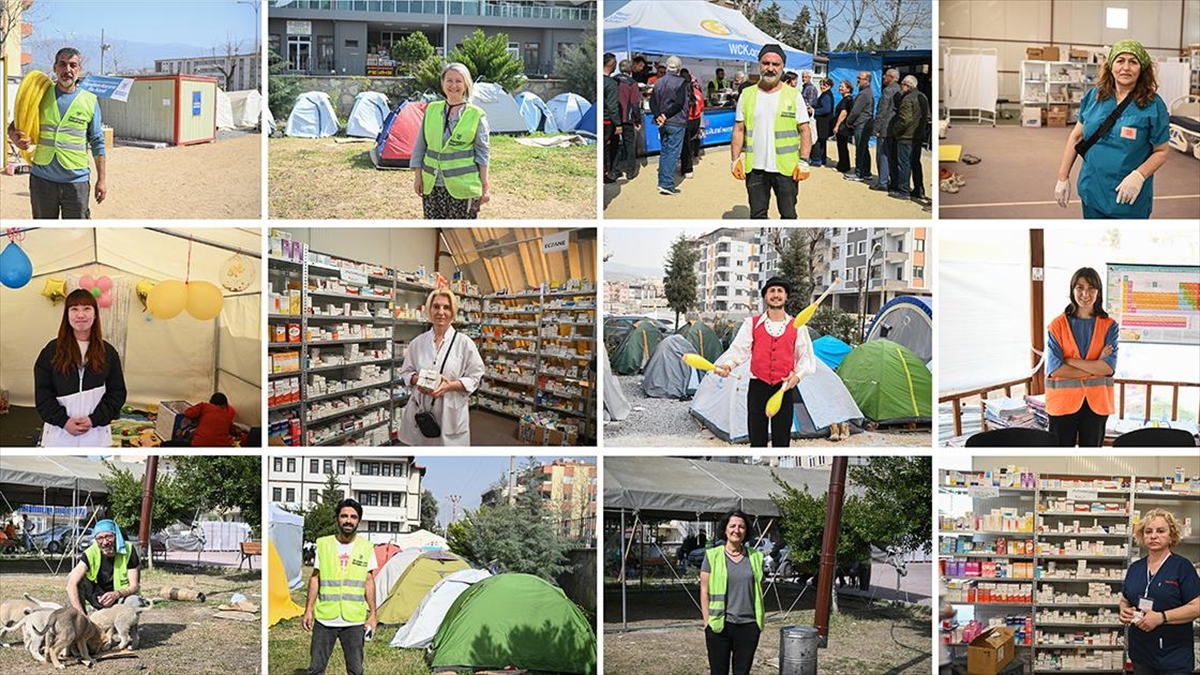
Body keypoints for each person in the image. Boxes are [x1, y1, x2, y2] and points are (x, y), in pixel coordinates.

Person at [1055, 40, 1169, 219]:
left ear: (1142, 68)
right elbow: (1076, 137)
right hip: (1092, 190)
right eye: (1120, 60)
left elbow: (1161, 151)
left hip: (1129, 197)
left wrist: (1139, 175)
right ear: (1110, 66)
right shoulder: (1095, 96)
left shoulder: (1153, 105)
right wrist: (1063, 177)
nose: (1126, 67)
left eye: (1133, 62)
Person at [713, 277, 816, 447]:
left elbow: (805, 357)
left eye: (780, 291)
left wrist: (797, 377)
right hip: (757, 387)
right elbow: (739, 350)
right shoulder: (751, 324)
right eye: (772, 291)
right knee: (757, 439)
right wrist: (728, 364)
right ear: (766, 297)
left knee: (782, 440)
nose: (776, 295)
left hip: (784, 388)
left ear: (786, 296)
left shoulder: (798, 326)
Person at [6, 47, 107, 219]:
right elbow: (16, 124)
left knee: (75, 234)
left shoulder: (90, 101)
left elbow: (98, 142)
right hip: (42, 180)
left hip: (76, 181)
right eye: (62, 64)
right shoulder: (40, 94)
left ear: (79, 69)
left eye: (72, 65)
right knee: (43, 232)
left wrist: (102, 180)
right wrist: (14, 136)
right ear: (55, 68)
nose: (67, 70)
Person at [34, 288, 126, 447]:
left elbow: (117, 393)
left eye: (86, 309)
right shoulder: (51, 351)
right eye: (74, 309)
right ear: (67, 315)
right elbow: (43, 394)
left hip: (96, 438)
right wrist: (64, 421)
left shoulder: (108, 352)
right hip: (58, 437)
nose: (80, 315)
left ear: (95, 314)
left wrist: (94, 419)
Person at [730, 44, 813, 220]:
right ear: (759, 64)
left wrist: (804, 161)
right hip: (756, 168)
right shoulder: (747, 94)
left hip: (787, 169)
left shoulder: (794, 95)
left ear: (782, 67)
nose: (770, 68)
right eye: (766, 63)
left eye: (776, 64)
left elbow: (805, 130)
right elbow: (739, 129)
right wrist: (735, 159)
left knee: (788, 215)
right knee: (757, 215)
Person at [397, 288, 485, 446]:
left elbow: (475, 377)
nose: (441, 312)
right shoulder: (417, 343)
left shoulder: (464, 344)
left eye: (446, 307)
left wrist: (449, 386)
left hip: (450, 413)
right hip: (422, 412)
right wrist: (419, 380)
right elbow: (406, 372)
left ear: (453, 311)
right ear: (429, 310)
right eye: (436, 306)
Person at [1119, 508, 1200, 675]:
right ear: (1142, 536)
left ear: (1171, 535)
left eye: (1160, 531)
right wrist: (1124, 611)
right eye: (1148, 531)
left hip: (1173, 657)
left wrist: (1161, 617)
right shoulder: (1135, 567)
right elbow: (1125, 598)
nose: (1153, 536)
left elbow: (1197, 606)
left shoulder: (1182, 566)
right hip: (1140, 653)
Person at [1045, 267, 1118, 447]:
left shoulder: (1109, 326)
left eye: (1091, 288)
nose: (1085, 293)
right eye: (1079, 288)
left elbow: (1108, 369)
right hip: (1062, 404)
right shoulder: (1057, 326)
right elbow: (1056, 369)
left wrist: (1070, 361)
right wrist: (1095, 365)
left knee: (1092, 461)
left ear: (1098, 292)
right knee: (1061, 461)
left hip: (1097, 404)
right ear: (1072, 290)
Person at [304, 498, 378, 675]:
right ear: (337, 518)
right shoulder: (323, 544)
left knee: (356, 670)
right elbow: (315, 578)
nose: (348, 520)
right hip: (325, 617)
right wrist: (308, 609)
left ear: (358, 521)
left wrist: (373, 615)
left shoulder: (366, 547)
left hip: (354, 619)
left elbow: (369, 581)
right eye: (344, 516)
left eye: (353, 517)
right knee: (315, 669)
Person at [412, 62, 490, 219]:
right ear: (442, 83)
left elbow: (483, 153)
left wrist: (485, 186)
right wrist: (418, 177)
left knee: (461, 233)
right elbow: (421, 146)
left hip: (464, 187)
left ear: (466, 84)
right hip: (432, 185)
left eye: (458, 81)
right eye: (449, 80)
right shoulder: (431, 109)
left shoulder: (476, 115)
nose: (453, 85)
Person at [700, 510, 764, 675]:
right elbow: (704, 590)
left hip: (748, 626)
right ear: (725, 530)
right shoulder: (712, 555)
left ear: (746, 531)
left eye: (741, 527)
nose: (737, 530)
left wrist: (757, 625)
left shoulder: (756, 557)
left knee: (742, 672)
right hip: (719, 625)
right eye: (733, 526)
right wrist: (707, 622)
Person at [66, 519, 140, 615]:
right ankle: (82, 625)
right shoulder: (90, 552)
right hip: (99, 597)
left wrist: (117, 594)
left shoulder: (128, 550)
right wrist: (81, 616)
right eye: (100, 538)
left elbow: (134, 586)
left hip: (121, 596)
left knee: (134, 601)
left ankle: (127, 629)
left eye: (108, 537)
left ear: (116, 536)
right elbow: (71, 585)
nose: (105, 542)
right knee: (74, 578)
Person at [650, 56, 688, 196]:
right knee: (672, 153)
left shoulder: (659, 82)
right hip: (676, 121)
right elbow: (679, 103)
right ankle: (666, 184)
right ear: (678, 68)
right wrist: (665, 115)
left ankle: (662, 182)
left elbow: (653, 101)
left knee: (665, 152)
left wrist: (658, 115)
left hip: (662, 122)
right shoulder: (680, 82)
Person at [891, 75, 924, 201]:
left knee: (904, 163)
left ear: (907, 86)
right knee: (916, 163)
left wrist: (895, 131)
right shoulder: (923, 97)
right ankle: (919, 189)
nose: (900, 87)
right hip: (918, 136)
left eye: (902, 85)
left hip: (906, 136)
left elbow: (904, 120)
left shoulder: (907, 99)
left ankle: (904, 191)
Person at [870, 69, 900, 192]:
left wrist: (876, 128)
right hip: (894, 128)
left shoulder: (887, 91)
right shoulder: (899, 89)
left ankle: (882, 182)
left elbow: (882, 112)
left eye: (885, 75)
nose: (883, 77)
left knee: (882, 155)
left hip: (885, 128)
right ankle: (893, 181)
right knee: (892, 156)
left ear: (891, 77)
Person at [843, 71, 875, 182]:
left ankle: (859, 173)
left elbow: (855, 111)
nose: (857, 80)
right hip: (865, 124)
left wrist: (848, 122)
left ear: (866, 81)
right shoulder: (868, 92)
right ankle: (866, 172)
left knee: (860, 149)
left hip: (861, 124)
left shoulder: (864, 94)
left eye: (859, 78)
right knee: (864, 149)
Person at [615, 59, 643, 180]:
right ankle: (630, 171)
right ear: (630, 69)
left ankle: (614, 170)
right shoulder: (632, 83)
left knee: (614, 145)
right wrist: (638, 120)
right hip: (627, 119)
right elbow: (635, 104)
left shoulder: (612, 80)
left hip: (614, 118)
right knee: (629, 145)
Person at [679, 68, 705, 179]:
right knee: (691, 144)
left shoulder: (681, 93)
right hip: (696, 120)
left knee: (685, 147)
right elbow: (702, 107)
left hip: (686, 121)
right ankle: (687, 165)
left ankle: (687, 169)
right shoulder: (698, 92)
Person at [603, 52, 622, 184]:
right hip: (607, 121)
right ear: (612, 65)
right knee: (607, 148)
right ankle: (606, 174)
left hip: (603, 119)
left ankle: (606, 172)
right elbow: (612, 106)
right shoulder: (611, 83)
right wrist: (618, 124)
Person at [832, 79, 855, 173]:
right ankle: (844, 164)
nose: (840, 88)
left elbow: (843, 113)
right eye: (840, 86)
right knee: (842, 146)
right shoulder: (846, 99)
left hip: (843, 126)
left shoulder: (847, 99)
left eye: (842, 87)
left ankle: (843, 166)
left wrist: (837, 125)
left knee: (842, 146)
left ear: (848, 89)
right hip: (844, 126)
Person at [811, 78, 835, 167]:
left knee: (818, 140)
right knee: (821, 141)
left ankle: (817, 160)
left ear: (829, 86)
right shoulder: (824, 94)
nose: (822, 86)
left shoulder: (827, 96)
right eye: (821, 84)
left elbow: (826, 109)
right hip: (823, 122)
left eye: (825, 85)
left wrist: (814, 110)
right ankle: (822, 159)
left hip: (823, 122)